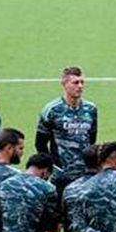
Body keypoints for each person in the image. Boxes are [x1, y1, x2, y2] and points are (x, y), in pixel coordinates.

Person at [36, 66, 98, 195]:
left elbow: (92, 140)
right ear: (64, 84)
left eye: (82, 82)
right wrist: (52, 167)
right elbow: (40, 143)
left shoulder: (91, 109)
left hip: (85, 175)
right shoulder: (52, 110)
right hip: (61, 175)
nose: (80, 86)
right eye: (75, 83)